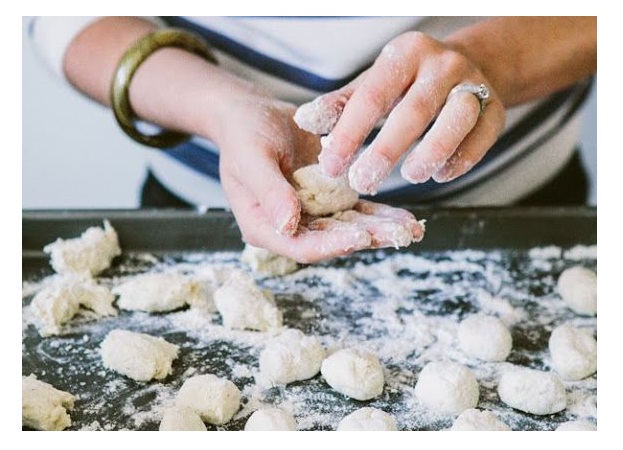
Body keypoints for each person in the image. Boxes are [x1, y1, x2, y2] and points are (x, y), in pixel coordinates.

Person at [29, 16, 597, 262]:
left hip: (522, 213)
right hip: (208, 218)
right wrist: (225, 110)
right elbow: (66, 17)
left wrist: (489, 61)